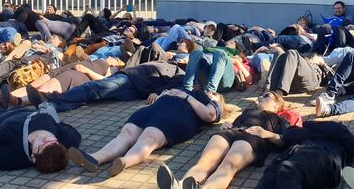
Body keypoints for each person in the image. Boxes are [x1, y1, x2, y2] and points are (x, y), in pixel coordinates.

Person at [67, 88, 228, 177]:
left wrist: (186, 97)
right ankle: (95, 158)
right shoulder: (187, 88)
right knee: (126, 134)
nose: (210, 91)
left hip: (176, 117)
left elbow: (209, 115)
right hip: (153, 110)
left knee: (148, 138)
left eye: (215, 94)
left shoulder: (208, 101)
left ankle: (124, 161)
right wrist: (163, 95)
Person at [157, 91, 289, 189]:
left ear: (277, 104)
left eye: (266, 96)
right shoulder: (247, 111)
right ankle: (179, 186)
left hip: (253, 136)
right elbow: (236, 123)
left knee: (227, 166)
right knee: (205, 161)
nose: (260, 97)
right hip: (232, 132)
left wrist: (266, 133)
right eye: (260, 95)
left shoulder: (280, 119)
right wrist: (228, 125)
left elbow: (284, 141)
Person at [0, 90, 81, 171]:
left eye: (41, 146)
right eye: (52, 141)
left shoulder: (14, 158)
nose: (45, 139)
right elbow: (73, 132)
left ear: (33, 157)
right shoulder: (66, 140)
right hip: (20, 111)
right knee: (2, 105)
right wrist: (57, 123)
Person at [26, 60, 185, 112]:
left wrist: (159, 92)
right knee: (92, 96)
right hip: (130, 81)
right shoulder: (160, 61)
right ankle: (52, 106)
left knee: (93, 89)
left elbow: (176, 83)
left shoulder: (178, 72)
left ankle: (51, 98)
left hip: (132, 82)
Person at [256, 121, 354, 189]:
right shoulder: (307, 134)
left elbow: (337, 129)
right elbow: (288, 136)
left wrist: (307, 123)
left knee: (287, 169)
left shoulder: (340, 136)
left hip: (324, 155)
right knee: (270, 175)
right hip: (297, 153)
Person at [8, 57, 125, 105]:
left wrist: (86, 70)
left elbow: (105, 81)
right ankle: (2, 99)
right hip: (67, 67)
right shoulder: (99, 59)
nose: (111, 57)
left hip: (79, 74)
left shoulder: (113, 67)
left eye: (115, 58)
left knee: (42, 90)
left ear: (117, 62)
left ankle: (18, 101)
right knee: (32, 86)